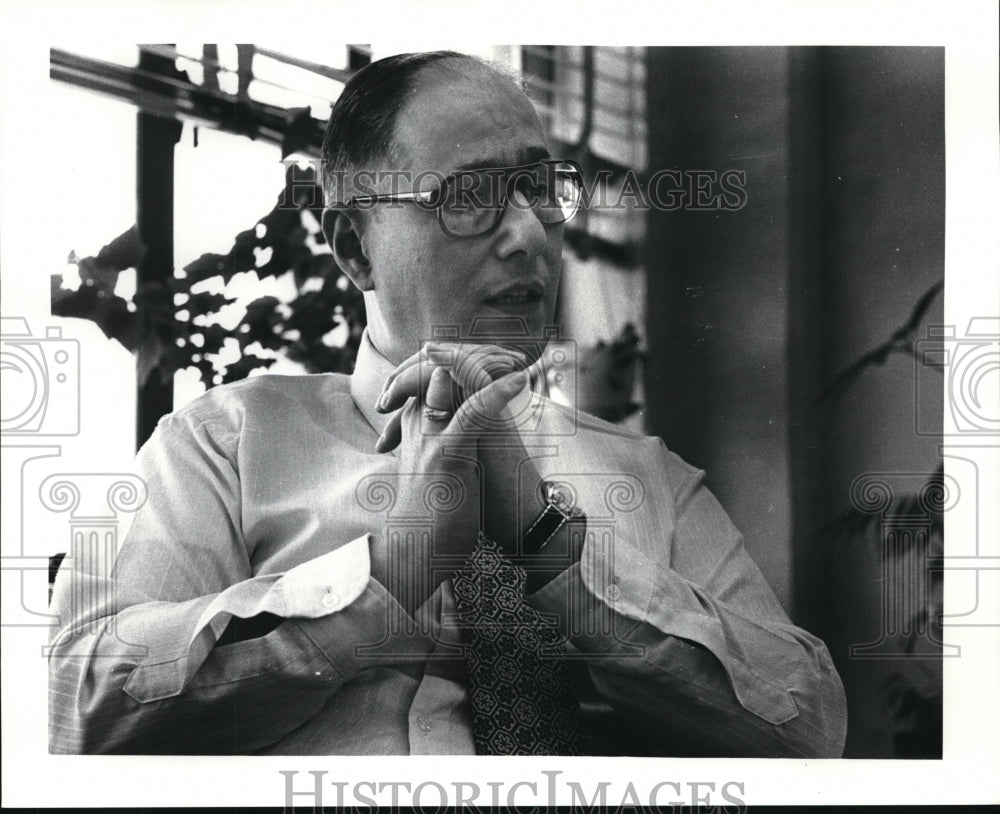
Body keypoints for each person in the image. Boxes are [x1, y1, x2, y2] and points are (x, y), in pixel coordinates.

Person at [48, 50, 847, 756]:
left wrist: (554, 554)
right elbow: (79, 712)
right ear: (356, 248)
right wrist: (390, 573)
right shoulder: (222, 445)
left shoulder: (652, 479)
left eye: (539, 190)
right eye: (470, 196)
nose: (530, 234)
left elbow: (811, 727)